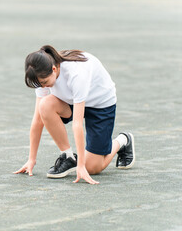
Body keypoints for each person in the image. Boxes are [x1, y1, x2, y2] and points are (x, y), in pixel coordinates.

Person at [13, 45, 135, 184]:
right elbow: (38, 120)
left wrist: (82, 166)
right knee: (45, 105)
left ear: (54, 69)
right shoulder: (42, 77)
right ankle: (68, 156)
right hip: (70, 100)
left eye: (45, 83)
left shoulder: (75, 74)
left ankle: (123, 140)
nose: (43, 87)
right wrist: (31, 159)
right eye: (40, 85)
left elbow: (77, 124)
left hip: (100, 104)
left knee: (93, 167)